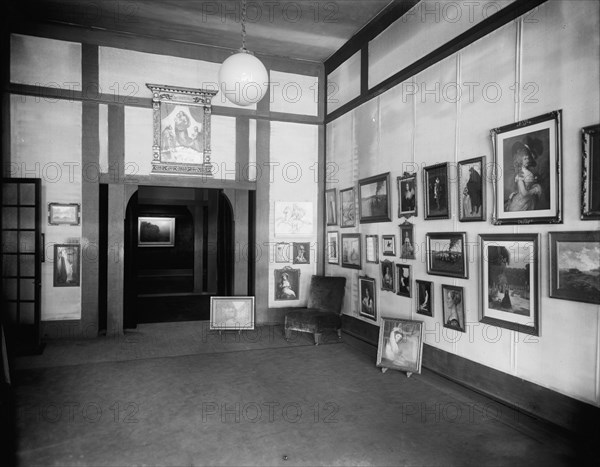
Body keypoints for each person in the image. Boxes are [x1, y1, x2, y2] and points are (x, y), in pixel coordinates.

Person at [505, 140, 542, 212]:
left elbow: (527, 185)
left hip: (529, 200)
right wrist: (534, 190)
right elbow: (524, 193)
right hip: (521, 202)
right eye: (525, 158)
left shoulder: (529, 171)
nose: (527, 160)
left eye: (528, 158)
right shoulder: (520, 174)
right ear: (520, 160)